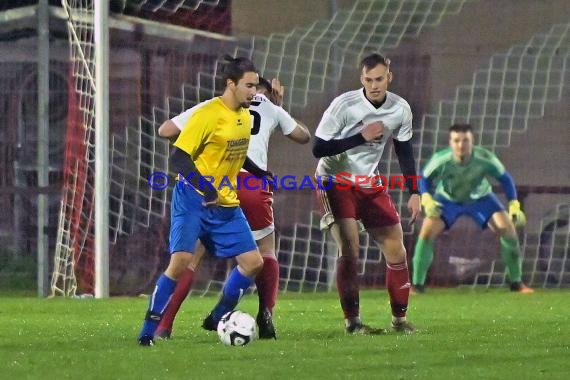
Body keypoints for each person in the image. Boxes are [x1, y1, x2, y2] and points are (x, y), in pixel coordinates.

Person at [153, 76, 311, 340]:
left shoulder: (212, 108)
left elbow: (165, 130)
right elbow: (303, 136)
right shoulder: (269, 106)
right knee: (264, 251)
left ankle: (163, 327)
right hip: (252, 185)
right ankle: (266, 313)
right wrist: (280, 108)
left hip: (213, 183)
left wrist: (197, 139)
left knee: (190, 258)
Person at [137, 55, 265, 346]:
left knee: (253, 263)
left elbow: (236, 153)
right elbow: (178, 157)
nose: (254, 92)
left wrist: (260, 172)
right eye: (249, 85)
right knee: (180, 261)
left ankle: (218, 315)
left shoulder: (244, 116)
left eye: (255, 86)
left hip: (225, 204)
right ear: (230, 84)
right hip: (193, 200)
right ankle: (147, 333)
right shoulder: (207, 114)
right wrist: (206, 188)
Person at [312, 53, 421, 334]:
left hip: (369, 182)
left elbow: (404, 149)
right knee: (350, 247)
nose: (374, 85)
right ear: (361, 79)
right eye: (369, 80)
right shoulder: (345, 105)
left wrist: (414, 191)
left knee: (396, 248)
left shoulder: (400, 108)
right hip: (334, 180)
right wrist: (361, 136)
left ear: (389, 77)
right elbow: (318, 148)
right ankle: (353, 322)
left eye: (380, 79)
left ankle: (399, 320)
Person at [411, 123, 534, 294]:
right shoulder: (441, 159)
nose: (461, 145)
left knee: (508, 230)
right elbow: (424, 179)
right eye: (456, 140)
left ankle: (517, 283)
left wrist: (514, 204)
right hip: (448, 200)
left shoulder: (485, 158)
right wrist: (426, 198)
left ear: (472, 141)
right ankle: (417, 285)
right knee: (426, 233)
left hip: (481, 198)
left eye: (465, 140)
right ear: (450, 142)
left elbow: (505, 179)